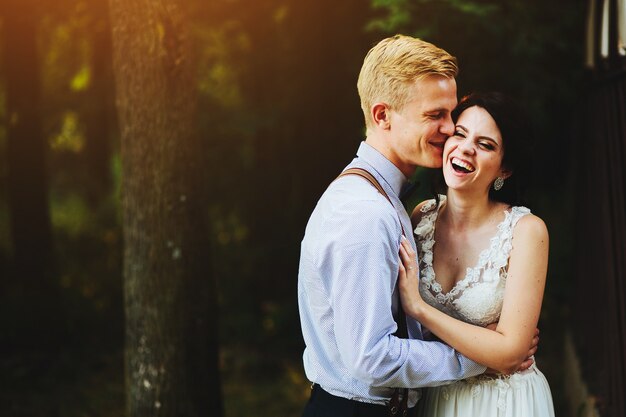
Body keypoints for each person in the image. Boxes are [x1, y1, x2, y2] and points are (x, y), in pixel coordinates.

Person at [297, 36, 537, 417]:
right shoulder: (365, 213)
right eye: (434, 116)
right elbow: (371, 358)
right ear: (382, 115)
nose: (449, 128)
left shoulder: (391, 202)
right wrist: (479, 359)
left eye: (450, 114)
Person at [397, 92, 555, 416]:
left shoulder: (526, 231)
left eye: (485, 145)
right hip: (435, 396)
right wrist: (486, 345)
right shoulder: (420, 217)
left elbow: (510, 354)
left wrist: (420, 309)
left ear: (505, 169)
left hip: (502, 402)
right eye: (460, 133)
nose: (466, 148)